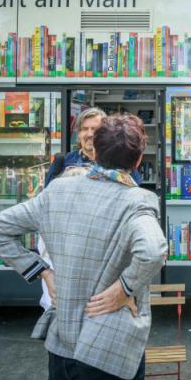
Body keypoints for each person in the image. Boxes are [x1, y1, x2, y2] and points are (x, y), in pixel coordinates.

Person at [0, 114, 167, 380]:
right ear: (138, 160)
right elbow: (153, 251)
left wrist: (44, 272)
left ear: (96, 150)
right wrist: (124, 288)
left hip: (62, 346)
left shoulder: (58, 190)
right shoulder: (137, 200)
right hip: (109, 350)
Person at [39, 107, 142, 310]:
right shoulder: (63, 162)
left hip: (105, 250)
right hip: (67, 249)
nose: (89, 134)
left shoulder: (122, 163)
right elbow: (46, 205)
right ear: (78, 134)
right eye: (84, 129)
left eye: (95, 129)